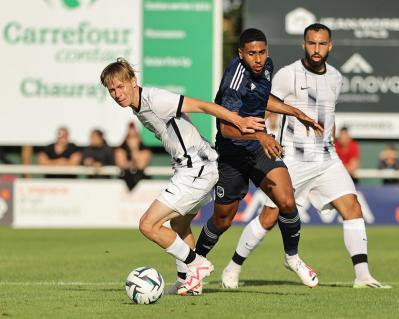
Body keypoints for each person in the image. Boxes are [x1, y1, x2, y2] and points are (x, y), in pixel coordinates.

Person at [220, 24, 391, 289]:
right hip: (293, 160)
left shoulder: (336, 77)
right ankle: (233, 268)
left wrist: (329, 138)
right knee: (268, 217)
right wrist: (260, 139)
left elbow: (329, 114)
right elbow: (261, 105)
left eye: (322, 44)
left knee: (352, 207)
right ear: (304, 44)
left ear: (330, 46)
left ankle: (363, 276)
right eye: (312, 43)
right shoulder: (288, 75)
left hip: (326, 159)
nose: (316, 49)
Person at [100, 57, 265, 296]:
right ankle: (188, 282)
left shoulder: (155, 99)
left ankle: (197, 264)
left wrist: (238, 120)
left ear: (133, 81)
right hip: (193, 167)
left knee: (148, 225)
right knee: (179, 224)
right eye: (111, 90)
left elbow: (203, 106)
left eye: (120, 86)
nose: (117, 93)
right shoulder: (137, 107)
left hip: (197, 168)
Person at [194, 28, 323, 289]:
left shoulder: (266, 66)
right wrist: (261, 136)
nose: (258, 59)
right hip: (232, 153)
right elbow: (226, 128)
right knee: (222, 220)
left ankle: (292, 258)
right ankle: (193, 267)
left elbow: (262, 99)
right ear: (241, 54)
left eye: (262, 52)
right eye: (251, 53)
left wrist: (295, 111)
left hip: (257, 149)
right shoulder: (234, 80)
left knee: (286, 200)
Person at [114, 122, 152, 189]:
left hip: (141, 182)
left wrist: (134, 150)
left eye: (134, 137)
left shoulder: (145, 151)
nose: (132, 141)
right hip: (124, 181)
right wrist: (132, 163)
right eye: (130, 138)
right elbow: (122, 165)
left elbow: (141, 165)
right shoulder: (121, 150)